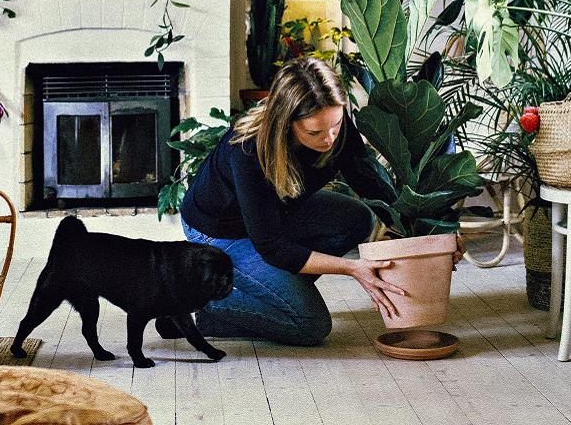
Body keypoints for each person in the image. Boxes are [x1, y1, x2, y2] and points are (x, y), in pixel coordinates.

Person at [164, 56, 464, 347]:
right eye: (315, 131)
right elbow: (271, 246)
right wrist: (351, 268)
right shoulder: (249, 149)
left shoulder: (334, 123)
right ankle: (198, 307)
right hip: (218, 233)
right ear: (286, 121)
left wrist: (432, 236)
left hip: (277, 215)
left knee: (358, 220)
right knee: (311, 325)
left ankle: (280, 292)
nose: (330, 138)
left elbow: (370, 185)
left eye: (335, 125)